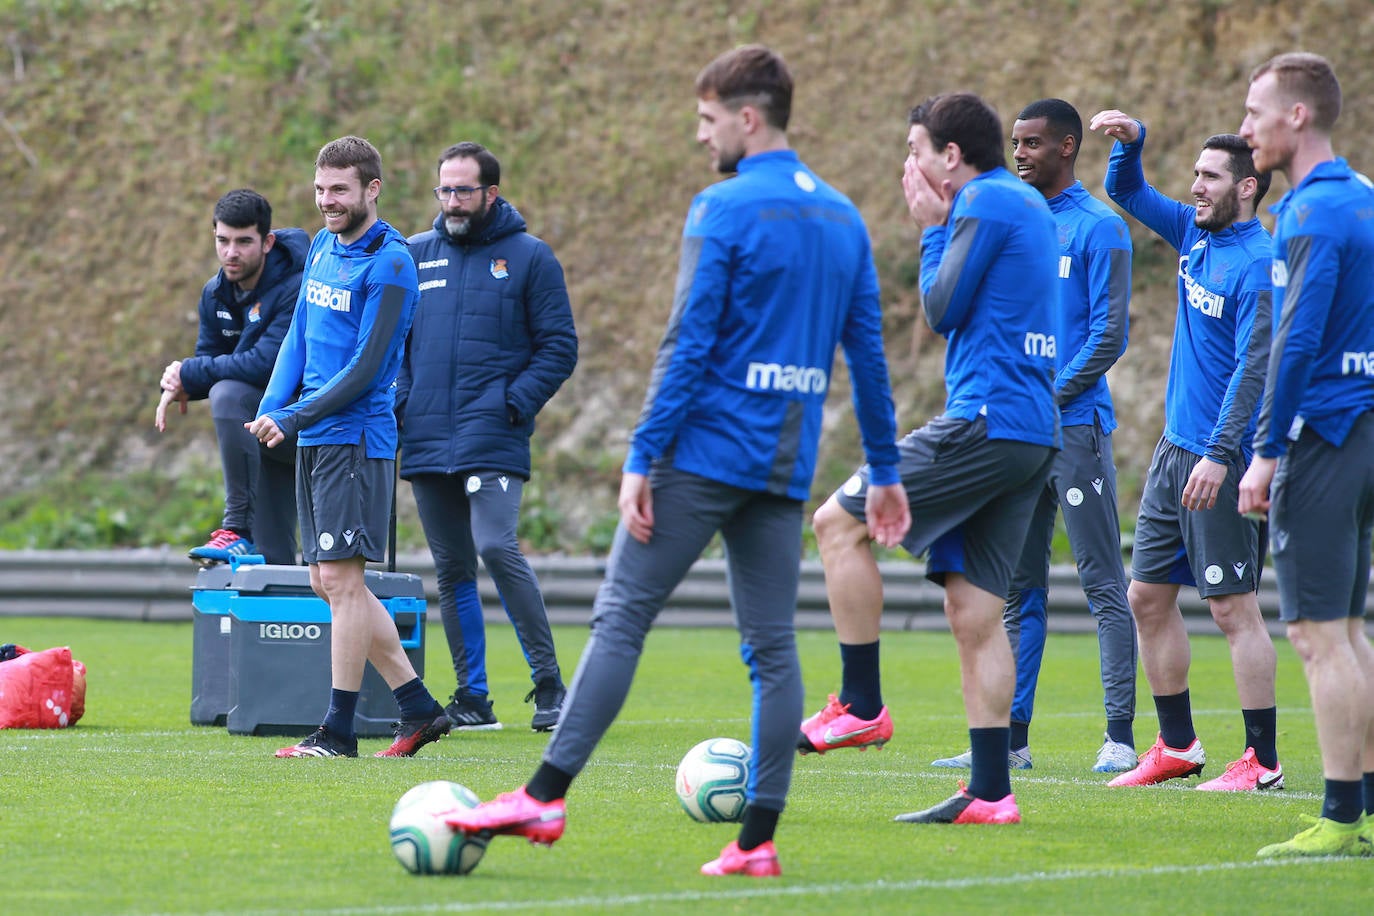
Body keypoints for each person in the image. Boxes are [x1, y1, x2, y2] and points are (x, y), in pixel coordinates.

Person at [447, 44, 909, 877]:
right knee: (774, 651)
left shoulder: (723, 207)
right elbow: (866, 356)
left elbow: (687, 340)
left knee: (621, 616)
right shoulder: (844, 217)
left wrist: (642, 452)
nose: (701, 138)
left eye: (706, 120)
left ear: (746, 116)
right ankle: (757, 843)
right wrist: (884, 471)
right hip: (782, 467)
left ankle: (544, 797)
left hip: (699, 457)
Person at [801, 92, 1060, 827]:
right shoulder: (1025, 205)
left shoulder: (984, 199)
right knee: (975, 612)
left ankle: (859, 704)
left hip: (984, 421)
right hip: (1030, 432)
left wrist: (930, 229)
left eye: (916, 150)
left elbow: (941, 309)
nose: (908, 164)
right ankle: (990, 792)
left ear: (951, 157)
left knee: (835, 523)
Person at [929, 99, 1138, 775]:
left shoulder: (1100, 228)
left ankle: (1120, 737)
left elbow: (1108, 335)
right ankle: (1010, 740)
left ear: (1069, 147)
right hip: (1020, 433)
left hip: (1074, 429)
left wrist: (1047, 396)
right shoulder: (1015, 220)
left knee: (1104, 581)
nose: (1019, 154)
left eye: (1032, 144)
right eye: (1015, 143)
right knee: (1020, 590)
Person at [1087, 108, 1281, 791]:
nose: (1196, 187)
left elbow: (1253, 373)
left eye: (1210, 176)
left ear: (1248, 188)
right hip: (1175, 453)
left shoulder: (1259, 266)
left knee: (1233, 608)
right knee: (1146, 598)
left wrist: (1222, 456)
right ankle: (1177, 746)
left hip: (1217, 461)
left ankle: (1263, 762)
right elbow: (1131, 194)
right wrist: (1132, 143)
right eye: (1195, 174)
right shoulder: (1197, 237)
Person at [248, 136, 450, 760]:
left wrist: (297, 413)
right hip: (315, 433)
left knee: (340, 580)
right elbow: (298, 339)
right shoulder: (320, 249)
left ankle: (337, 732)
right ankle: (417, 708)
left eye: (339, 190)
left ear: (371, 190)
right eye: (319, 189)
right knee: (328, 582)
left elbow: (367, 368)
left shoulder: (391, 264)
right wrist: (271, 408)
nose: (326, 201)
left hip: (357, 439)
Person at [1237, 52, 1374, 857]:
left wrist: (1264, 452)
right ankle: (1365, 809)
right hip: (1364, 429)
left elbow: (1295, 344)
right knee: (1349, 632)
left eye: (1256, 111)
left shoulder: (1309, 213)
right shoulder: (1366, 200)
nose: (1246, 126)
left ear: (1297, 117)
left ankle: (1339, 816)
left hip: (1323, 435)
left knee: (1319, 635)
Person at [400, 141, 578, 733]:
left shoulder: (530, 257)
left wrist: (514, 402)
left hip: (493, 432)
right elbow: (390, 344)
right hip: (425, 436)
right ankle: (473, 699)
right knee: (451, 569)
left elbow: (559, 348)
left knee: (497, 547)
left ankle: (550, 686)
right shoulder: (412, 254)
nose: (452, 200)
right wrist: (403, 401)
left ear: (491, 194)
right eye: (443, 189)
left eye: (463, 190)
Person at [156, 189, 306, 566]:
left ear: (267, 242)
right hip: (259, 426)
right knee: (274, 562)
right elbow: (208, 363)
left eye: (243, 242)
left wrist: (189, 372)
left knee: (226, 394)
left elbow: (265, 364)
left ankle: (236, 528)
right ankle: (248, 545)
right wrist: (181, 383)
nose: (231, 253)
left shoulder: (295, 287)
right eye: (222, 241)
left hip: (306, 424)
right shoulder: (214, 293)